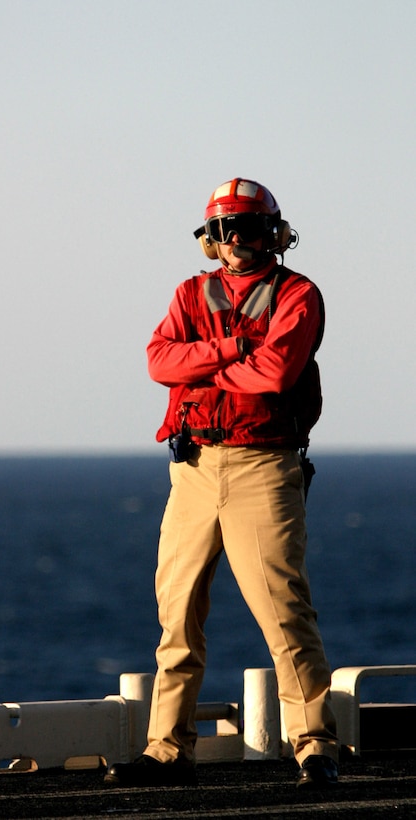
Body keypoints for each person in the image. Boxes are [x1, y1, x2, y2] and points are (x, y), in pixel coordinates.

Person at [105, 178, 338, 790]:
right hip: (194, 469)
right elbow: (159, 361)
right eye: (227, 229)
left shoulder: (298, 295)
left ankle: (315, 745)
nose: (239, 240)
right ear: (212, 237)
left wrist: (202, 364)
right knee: (176, 613)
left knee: (284, 611)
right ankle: (168, 749)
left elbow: (277, 372)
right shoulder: (190, 293)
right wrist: (234, 346)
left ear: (275, 233)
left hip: (263, 466)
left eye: (251, 227)